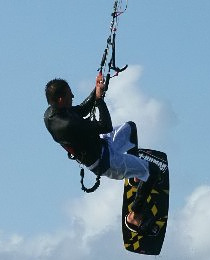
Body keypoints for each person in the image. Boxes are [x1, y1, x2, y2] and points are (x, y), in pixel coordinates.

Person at [44, 73, 161, 233]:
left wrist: (97, 89)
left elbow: (82, 109)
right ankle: (134, 216)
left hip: (103, 145)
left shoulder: (53, 112)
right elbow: (105, 126)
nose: (73, 95)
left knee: (130, 128)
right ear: (60, 99)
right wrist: (99, 99)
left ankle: (135, 176)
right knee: (153, 171)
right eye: (69, 94)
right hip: (106, 162)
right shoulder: (66, 125)